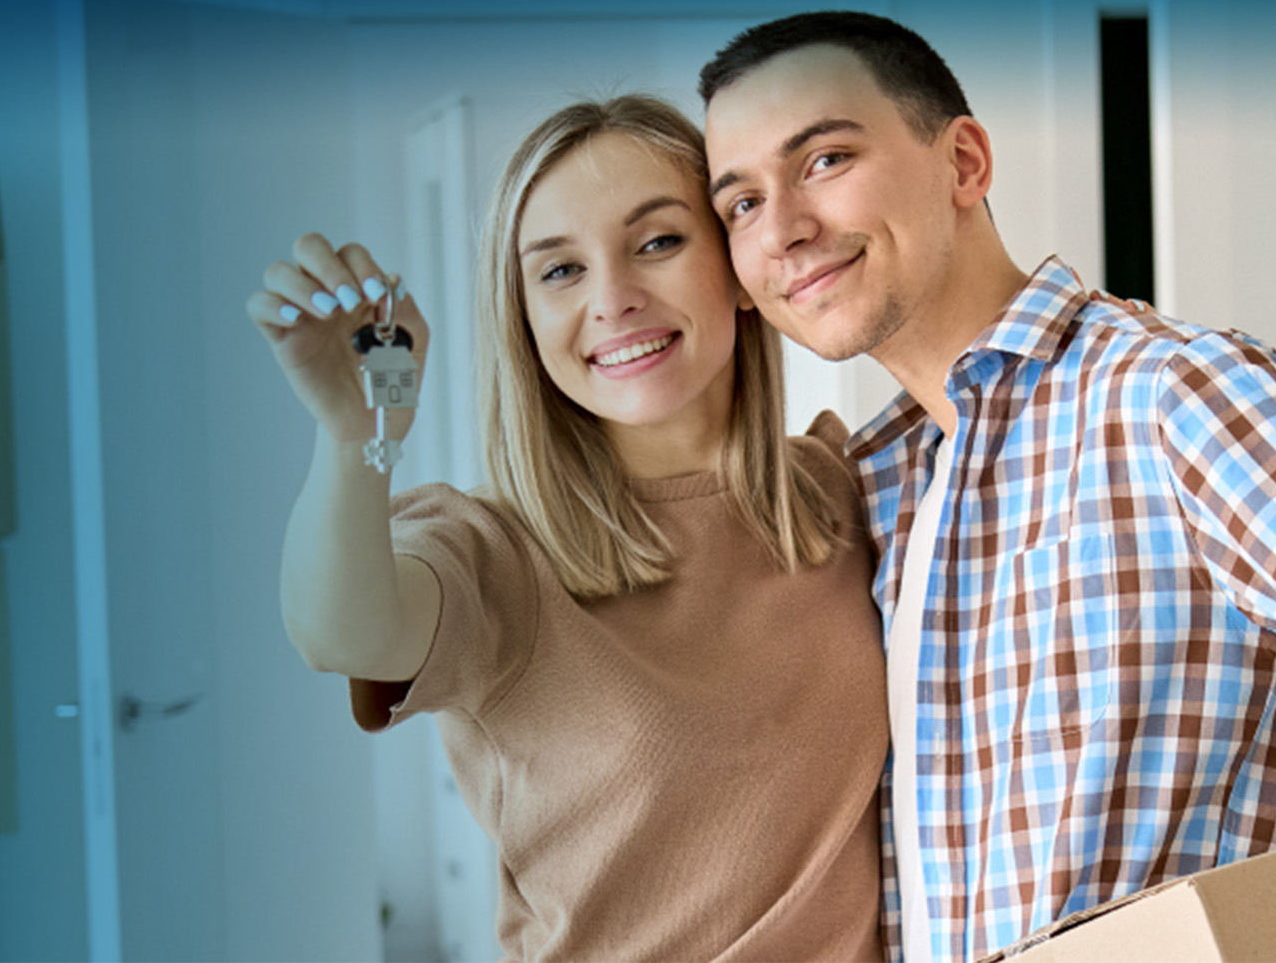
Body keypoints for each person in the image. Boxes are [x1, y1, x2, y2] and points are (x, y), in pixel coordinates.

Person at [697, 10, 1276, 962]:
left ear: (965, 164)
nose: (782, 227)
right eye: (739, 203)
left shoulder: (1168, 399)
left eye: (823, 160)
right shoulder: (873, 489)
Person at [246, 94, 888, 959]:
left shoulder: (838, 489)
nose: (613, 298)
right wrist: (356, 434)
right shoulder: (496, 556)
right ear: (525, 320)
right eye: (560, 271)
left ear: (738, 268)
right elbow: (339, 631)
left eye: (657, 242)